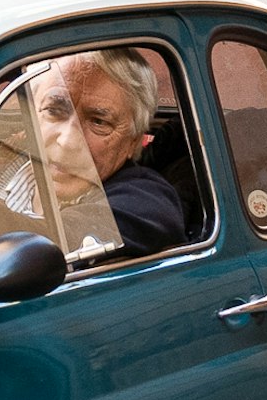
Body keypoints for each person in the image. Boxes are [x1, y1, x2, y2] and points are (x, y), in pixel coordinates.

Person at [22, 47, 187, 263]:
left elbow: (36, 248)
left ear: (133, 141)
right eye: (54, 110)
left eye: (99, 122)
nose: (67, 140)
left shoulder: (144, 202)